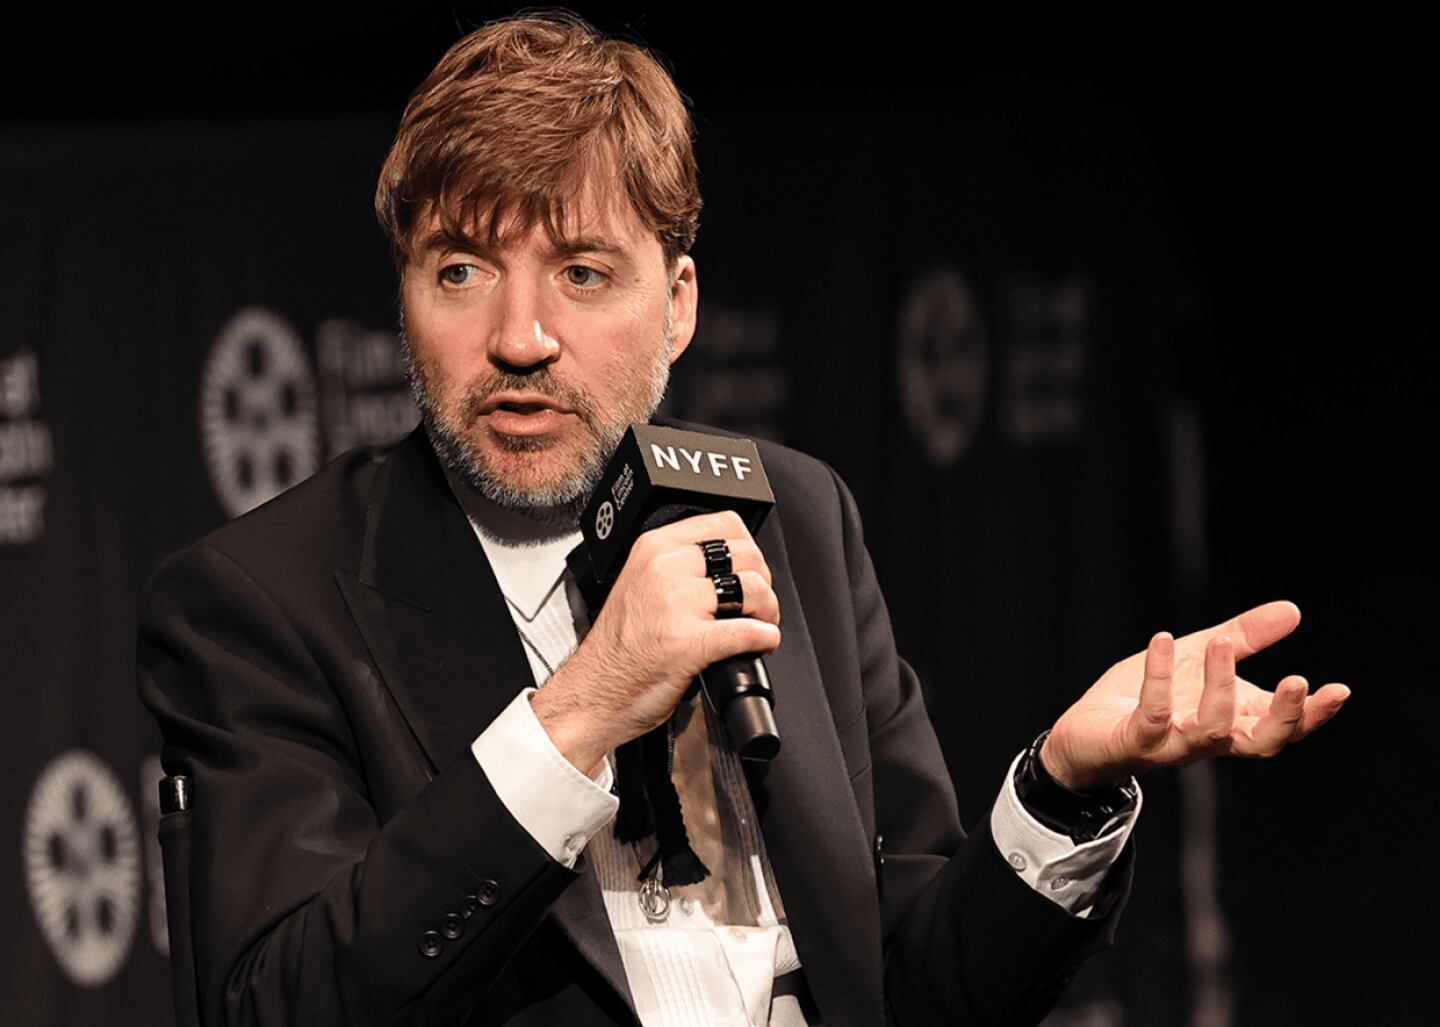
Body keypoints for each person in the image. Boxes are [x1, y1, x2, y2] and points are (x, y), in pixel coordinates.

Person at [138, 13, 1349, 1026]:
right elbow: (275, 1003)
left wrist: (1065, 784)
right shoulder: (263, 601)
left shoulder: (790, 515)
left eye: (583, 272)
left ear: (678, 306)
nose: (520, 337)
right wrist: (579, 712)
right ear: (404, 298)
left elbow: (918, 982)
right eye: (461, 269)